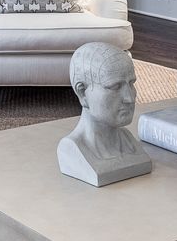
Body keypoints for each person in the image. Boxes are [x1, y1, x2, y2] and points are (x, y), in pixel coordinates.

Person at [57, 42, 152, 186]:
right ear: (82, 92)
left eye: (131, 83)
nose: (130, 98)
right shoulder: (72, 148)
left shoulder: (129, 143)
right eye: (115, 87)